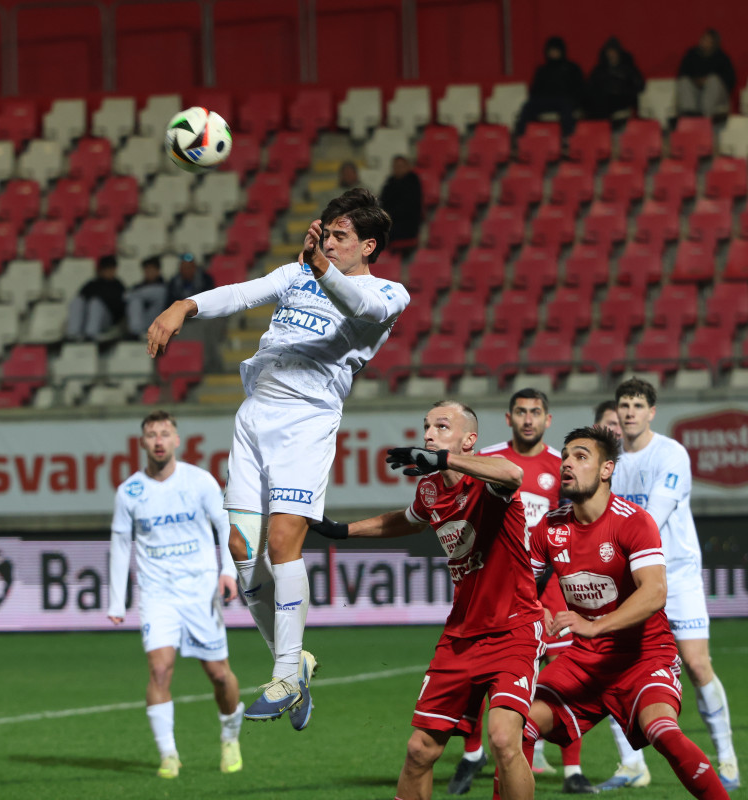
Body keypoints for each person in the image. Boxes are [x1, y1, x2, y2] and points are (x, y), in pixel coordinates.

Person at [145, 187, 409, 730]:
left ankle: (287, 672)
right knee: (244, 555)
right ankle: (293, 664)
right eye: (327, 233)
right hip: (254, 415)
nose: (330, 244)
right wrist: (184, 306)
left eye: (341, 237)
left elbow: (358, 307)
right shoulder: (295, 276)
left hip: (306, 421)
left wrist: (319, 266)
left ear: (368, 246)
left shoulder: (388, 292)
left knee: (285, 540)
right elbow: (242, 295)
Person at [309, 400, 540, 800]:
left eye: (442, 426)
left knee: (503, 740)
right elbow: (407, 519)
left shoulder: (489, 480)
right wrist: (345, 531)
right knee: (419, 750)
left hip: (513, 628)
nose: (429, 433)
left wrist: (444, 458)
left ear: (469, 440)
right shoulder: (430, 489)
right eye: (426, 426)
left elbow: (514, 473)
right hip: (461, 634)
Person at [525, 426, 732, 800]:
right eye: (566, 456)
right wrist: (535, 609)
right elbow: (523, 586)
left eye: (580, 456)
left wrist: (595, 625)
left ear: (606, 470)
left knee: (663, 732)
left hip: (643, 656)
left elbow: (654, 592)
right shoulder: (550, 527)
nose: (567, 463)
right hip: (584, 662)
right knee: (516, 728)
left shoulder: (633, 521)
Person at [448, 388, 597, 795]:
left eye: (535, 412)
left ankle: (573, 771)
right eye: (521, 412)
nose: (528, 419)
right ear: (508, 417)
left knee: (565, 671)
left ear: (548, 420)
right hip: (497, 583)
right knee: (476, 668)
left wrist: (557, 572)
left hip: (550, 582)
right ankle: (473, 753)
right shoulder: (489, 461)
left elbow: (574, 519)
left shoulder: (560, 466)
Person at [601, 378, 739, 791]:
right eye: (624, 404)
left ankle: (727, 759)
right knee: (610, 669)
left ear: (651, 412)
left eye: (637, 405)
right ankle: (632, 765)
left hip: (676, 575)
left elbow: (651, 518)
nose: (629, 411)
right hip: (628, 579)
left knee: (696, 665)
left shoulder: (671, 453)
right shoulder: (609, 461)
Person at [108, 411, 246, 779]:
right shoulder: (130, 492)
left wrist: (228, 574)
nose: (158, 440)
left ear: (176, 440)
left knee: (219, 676)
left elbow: (225, 528)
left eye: (164, 433)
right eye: (151, 434)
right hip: (157, 594)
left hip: (201, 591)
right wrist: (115, 601)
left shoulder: (200, 482)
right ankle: (168, 755)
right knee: (159, 669)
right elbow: (121, 545)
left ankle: (230, 735)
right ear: (142, 442)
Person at [513, 36, 586, 140]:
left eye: (556, 50)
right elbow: (534, 90)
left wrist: (575, 100)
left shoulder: (572, 68)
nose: (554, 53)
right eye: (551, 50)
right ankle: (521, 137)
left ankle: (567, 138)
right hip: (545, 101)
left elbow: (579, 88)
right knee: (528, 106)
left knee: (566, 106)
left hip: (565, 100)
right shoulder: (542, 70)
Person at [676, 29, 736, 118]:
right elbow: (682, 73)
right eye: (704, 39)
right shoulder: (691, 55)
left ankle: (706, 117)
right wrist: (697, 81)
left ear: (715, 43)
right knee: (684, 81)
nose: (705, 42)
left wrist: (707, 81)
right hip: (695, 93)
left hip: (716, 97)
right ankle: (689, 115)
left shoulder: (722, 58)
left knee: (713, 80)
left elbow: (730, 80)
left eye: (709, 41)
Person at [66, 255, 126, 341]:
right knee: (77, 300)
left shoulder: (118, 286)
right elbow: (81, 298)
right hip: (87, 318)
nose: (109, 271)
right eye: (106, 269)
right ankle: (73, 333)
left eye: (111, 269)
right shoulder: (92, 284)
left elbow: (120, 309)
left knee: (95, 303)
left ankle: (91, 334)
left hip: (107, 321)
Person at [585, 38, 644, 120]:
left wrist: (623, 91)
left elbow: (639, 85)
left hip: (622, 101)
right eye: (609, 52)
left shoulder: (629, 69)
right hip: (602, 104)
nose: (611, 54)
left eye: (613, 51)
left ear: (619, 53)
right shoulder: (599, 70)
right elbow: (590, 87)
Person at [380, 155, 423, 251]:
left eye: (401, 166)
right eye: (396, 167)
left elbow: (409, 208)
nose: (398, 169)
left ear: (407, 167)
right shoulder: (389, 182)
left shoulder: (413, 182)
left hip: (406, 224)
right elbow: (382, 202)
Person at [125, 257, 168, 339]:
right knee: (135, 301)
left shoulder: (164, 287)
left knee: (134, 298)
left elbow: (127, 296)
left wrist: (128, 295)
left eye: (151, 270)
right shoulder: (138, 287)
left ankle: (138, 332)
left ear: (158, 271)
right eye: (146, 270)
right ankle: (136, 333)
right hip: (143, 322)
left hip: (159, 322)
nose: (148, 272)